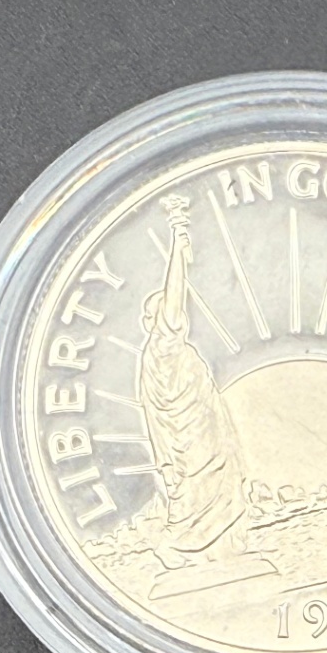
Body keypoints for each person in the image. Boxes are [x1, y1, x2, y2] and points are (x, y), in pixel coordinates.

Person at [137, 196, 247, 566]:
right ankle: (178, 544)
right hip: (191, 441)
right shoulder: (164, 348)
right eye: (165, 311)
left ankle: (211, 550)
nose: (175, 315)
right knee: (199, 487)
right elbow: (175, 294)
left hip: (195, 438)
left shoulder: (161, 354)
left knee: (205, 488)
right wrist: (177, 240)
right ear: (156, 321)